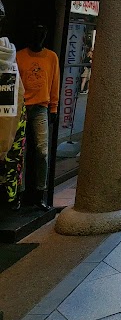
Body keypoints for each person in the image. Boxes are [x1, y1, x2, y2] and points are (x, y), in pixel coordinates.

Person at [16, 25, 60, 210]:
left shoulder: (51, 57)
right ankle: (20, 192)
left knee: (42, 151)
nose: (39, 38)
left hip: (41, 107)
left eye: (42, 35)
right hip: (22, 107)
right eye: (36, 34)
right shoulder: (19, 56)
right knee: (21, 152)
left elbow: (54, 82)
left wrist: (54, 108)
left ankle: (40, 192)